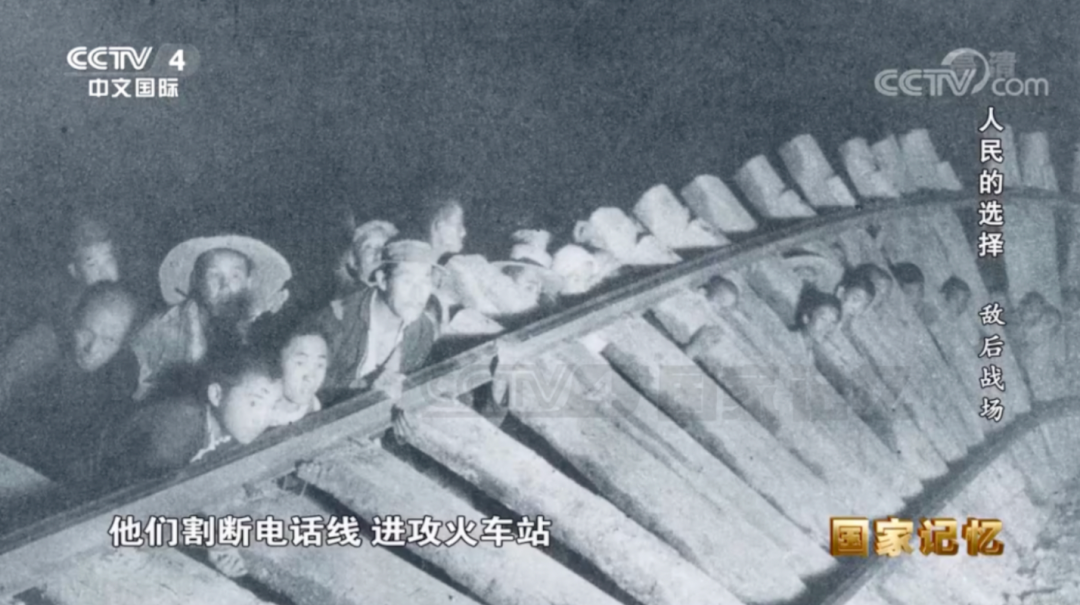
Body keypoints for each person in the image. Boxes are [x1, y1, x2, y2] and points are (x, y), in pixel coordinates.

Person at [0, 283, 141, 490]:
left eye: (109, 341)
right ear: (73, 321)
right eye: (86, 332)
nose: (92, 349)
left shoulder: (124, 369)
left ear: (123, 342)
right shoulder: (38, 350)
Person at [131, 235, 292, 400]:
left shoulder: (258, 325)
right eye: (214, 275)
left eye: (235, 276)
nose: (225, 285)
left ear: (248, 282)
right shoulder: (165, 326)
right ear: (197, 280)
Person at [103, 350, 285, 487]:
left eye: (272, 407)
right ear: (217, 395)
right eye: (254, 404)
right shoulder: (181, 425)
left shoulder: (225, 428)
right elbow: (145, 493)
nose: (262, 419)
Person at [315, 239, 442, 403]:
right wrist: (366, 387)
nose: (417, 293)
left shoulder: (423, 329)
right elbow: (311, 394)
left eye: (425, 281)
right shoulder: (336, 321)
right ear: (382, 280)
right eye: (407, 280)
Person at [333, 219, 398, 299]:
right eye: (369, 247)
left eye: (384, 246)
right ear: (354, 260)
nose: (379, 253)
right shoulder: (344, 301)